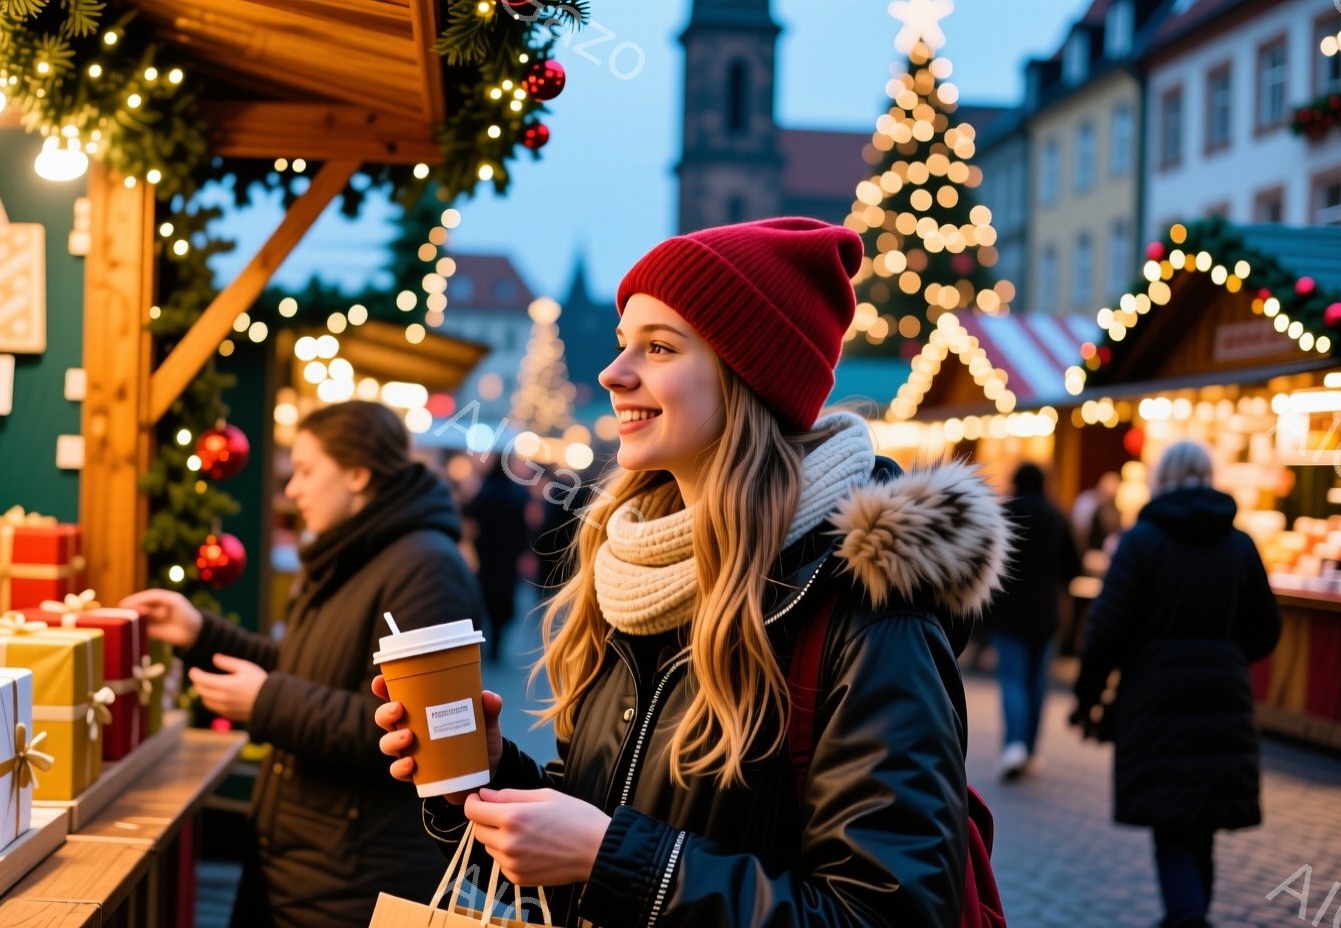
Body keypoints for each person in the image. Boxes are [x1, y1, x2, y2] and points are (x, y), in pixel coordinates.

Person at [375, 218, 1013, 925]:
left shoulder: (864, 607)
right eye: (623, 345)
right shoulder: (629, 576)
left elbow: (887, 913)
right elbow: (590, 845)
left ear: (748, 375)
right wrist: (485, 778)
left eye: (658, 347)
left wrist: (613, 857)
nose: (614, 375)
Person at [122, 400, 486, 928]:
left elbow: (410, 733)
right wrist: (200, 633)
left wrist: (266, 701)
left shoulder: (425, 567)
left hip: (358, 883)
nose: (292, 490)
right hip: (303, 866)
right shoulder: (350, 554)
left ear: (358, 474)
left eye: (308, 471)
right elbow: (305, 670)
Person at [1071, 440, 1282, 928]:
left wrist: (1089, 697)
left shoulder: (1141, 543)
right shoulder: (1240, 545)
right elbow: (1267, 627)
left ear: (1159, 479)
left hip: (1155, 698)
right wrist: (1226, 656)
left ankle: (1188, 918)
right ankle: (1191, 913)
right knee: (1201, 821)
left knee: (1172, 820)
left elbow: (1106, 630)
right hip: (1224, 697)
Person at [987, 461, 1080, 781]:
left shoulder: (1003, 514)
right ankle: (1030, 747)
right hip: (1046, 613)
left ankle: (1014, 744)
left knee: (1012, 680)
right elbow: (1074, 566)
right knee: (1037, 683)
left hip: (1008, 613)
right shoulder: (1056, 516)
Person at [465, 463, 534, 662]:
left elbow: (473, 519)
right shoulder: (517, 494)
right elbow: (523, 528)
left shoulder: (484, 492)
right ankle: (496, 645)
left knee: (482, 599)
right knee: (501, 602)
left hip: (485, 556)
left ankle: (479, 643)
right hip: (507, 558)